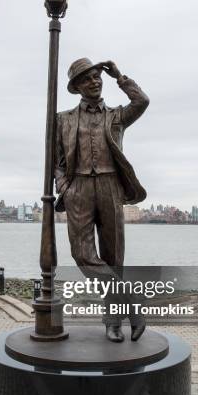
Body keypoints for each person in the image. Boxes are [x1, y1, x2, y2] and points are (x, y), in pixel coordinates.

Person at [55, 58, 149, 342]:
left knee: (113, 258)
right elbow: (56, 161)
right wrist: (64, 186)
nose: (94, 81)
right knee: (82, 254)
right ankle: (132, 302)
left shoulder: (117, 116)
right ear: (76, 87)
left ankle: (113, 323)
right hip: (79, 188)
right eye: (87, 79)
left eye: (97, 76)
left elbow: (142, 101)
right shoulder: (63, 120)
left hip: (110, 186)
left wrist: (119, 76)